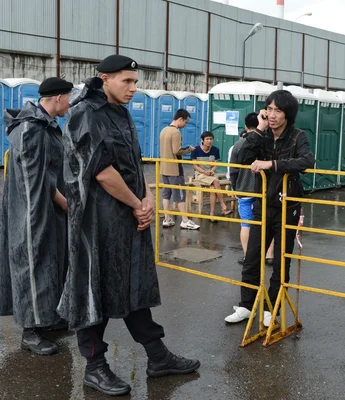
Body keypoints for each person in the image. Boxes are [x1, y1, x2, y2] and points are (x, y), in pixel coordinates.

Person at [59, 55, 199, 397]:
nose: (134, 89)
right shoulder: (84, 114)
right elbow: (102, 172)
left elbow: (134, 162)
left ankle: (157, 356)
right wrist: (138, 204)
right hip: (96, 224)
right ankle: (94, 367)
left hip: (126, 219)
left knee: (132, 286)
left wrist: (147, 197)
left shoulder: (119, 112)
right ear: (105, 78)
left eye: (135, 82)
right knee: (95, 291)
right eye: (127, 82)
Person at [224, 90, 315, 326]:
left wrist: (272, 164)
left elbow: (306, 161)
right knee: (252, 256)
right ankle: (246, 305)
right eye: (269, 109)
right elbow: (241, 157)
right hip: (261, 203)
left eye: (278, 110)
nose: (272, 115)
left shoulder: (297, 136)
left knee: (281, 260)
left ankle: (270, 307)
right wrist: (260, 129)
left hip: (288, 205)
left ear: (288, 114)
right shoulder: (261, 136)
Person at [0, 77, 72, 356]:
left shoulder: (48, 125)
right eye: (69, 98)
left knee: (51, 262)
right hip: (32, 213)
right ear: (57, 98)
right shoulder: (31, 129)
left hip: (48, 210)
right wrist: (65, 203)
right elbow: (35, 179)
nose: (70, 103)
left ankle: (48, 318)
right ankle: (30, 331)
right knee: (32, 263)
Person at [229, 112, 275, 266]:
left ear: (245, 126)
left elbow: (233, 170)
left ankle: (248, 256)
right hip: (262, 190)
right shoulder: (267, 141)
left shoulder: (238, 145)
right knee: (267, 222)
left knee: (246, 223)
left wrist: (235, 188)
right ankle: (269, 255)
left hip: (244, 190)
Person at [159, 109, 199, 230]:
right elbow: (176, 150)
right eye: (186, 122)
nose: (185, 125)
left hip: (163, 167)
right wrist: (189, 149)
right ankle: (185, 220)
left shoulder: (164, 130)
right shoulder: (176, 132)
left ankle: (166, 219)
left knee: (166, 194)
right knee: (180, 194)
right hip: (175, 169)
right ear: (180, 119)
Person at [191, 131, 233, 221]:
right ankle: (222, 205)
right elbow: (195, 166)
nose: (209, 141)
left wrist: (211, 170)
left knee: (213, 189)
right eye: (207, 139)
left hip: (210, 174)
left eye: (211, 139)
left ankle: (212, 214)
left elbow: (215, 164)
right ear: (202, 140)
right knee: (216, 181)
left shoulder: (215, 150)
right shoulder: (196, 150)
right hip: (200, 174)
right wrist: (204, 172)